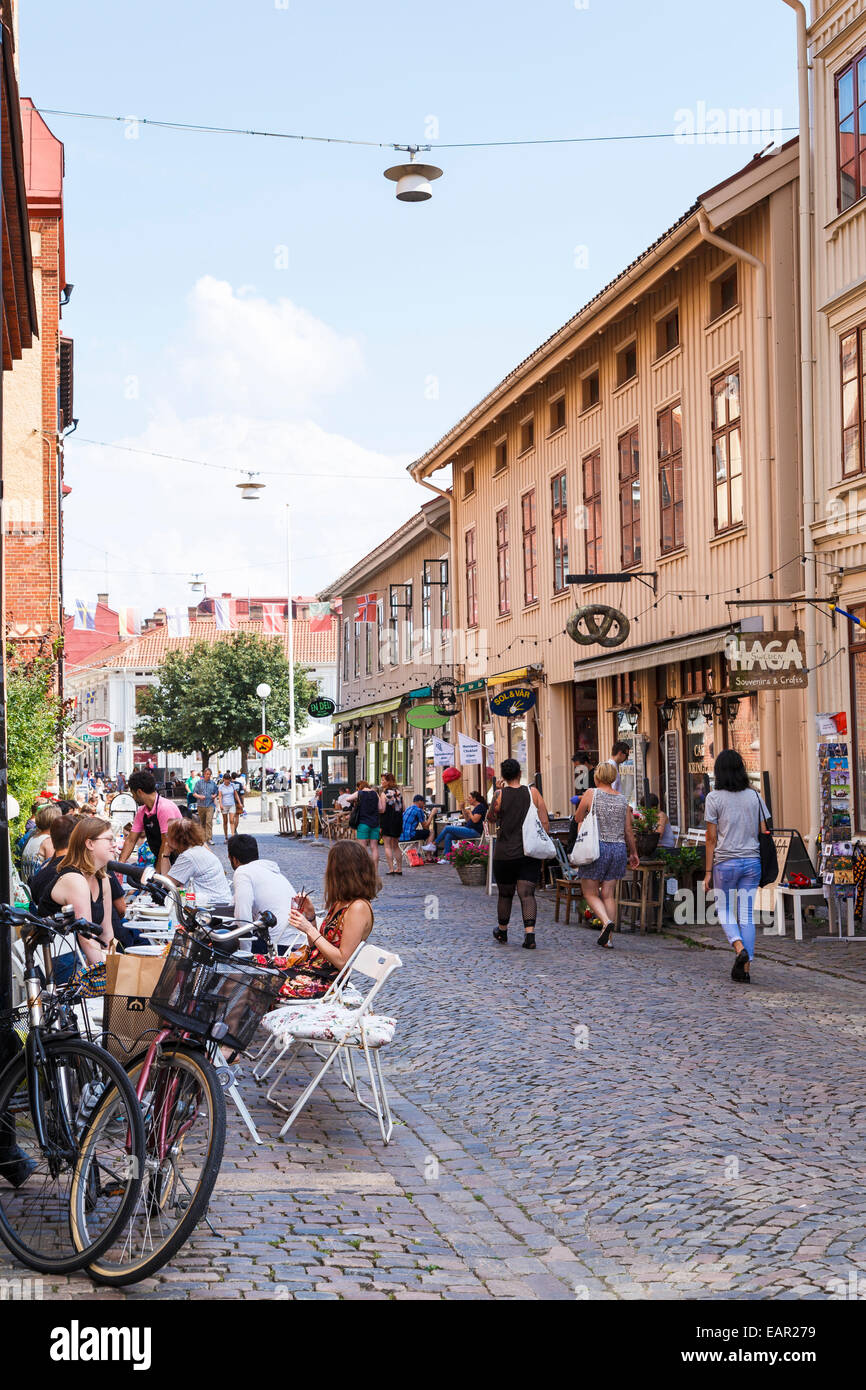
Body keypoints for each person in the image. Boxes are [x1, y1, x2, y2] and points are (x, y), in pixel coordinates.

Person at [263, 839, 378, 999]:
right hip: (313, 968)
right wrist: (310, 917)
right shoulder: (341, 901)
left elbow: (342, 961)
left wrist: (308, 929)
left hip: (328, 979)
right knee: (255, 967)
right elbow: (317, 947)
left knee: (262, 981)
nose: (327, 872)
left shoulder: (358, 907)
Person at [703, 750, 770, 984]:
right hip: (752, 861)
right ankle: (746, 968)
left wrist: (708, 871)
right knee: (747, 915)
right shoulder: (755, 796)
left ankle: (738, 946)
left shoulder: (714, 798)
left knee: (723, 909)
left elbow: (711, 839)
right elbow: (764, 830)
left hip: (726, 862)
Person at [572, 760, 640, 948]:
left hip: (597, 848)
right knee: (608, 894)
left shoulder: (591, 793)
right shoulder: (622, 799)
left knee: (590, 892)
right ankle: (608, 939)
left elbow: (578, 817)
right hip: (618, 849)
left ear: (597, 776)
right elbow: (628, 830)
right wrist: (633, 852)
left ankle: (605, 922)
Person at [489, 760, 550, 950]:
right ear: (520, 773)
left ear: (503, 776)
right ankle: (529, 935)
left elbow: (490, 818)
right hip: (528, 852)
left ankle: (502, 930)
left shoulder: (499, 794)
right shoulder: (533, 793)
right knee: (527, 894)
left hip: (505, 853)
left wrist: (495, 792)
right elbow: (545, 821)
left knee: (505, 894)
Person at [49, 816, 117, 970]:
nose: (115, 845)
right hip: (56, 960)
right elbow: (85, 937)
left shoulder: (102, 878)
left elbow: (107, 933)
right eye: (109, 840)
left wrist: (113, 965)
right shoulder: (74, 879)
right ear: (90, 843)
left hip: (79, 956)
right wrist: (106, 975)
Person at [227, 833, 295, 949]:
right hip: (298, 940)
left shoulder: (243, 871)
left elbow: (243, 915)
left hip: (279, 944)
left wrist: (246, 954)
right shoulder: (268, 870)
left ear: (233, 859)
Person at [119, 769, 182, 875]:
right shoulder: (142, 811)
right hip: (162, 858)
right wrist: (119, 866)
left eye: (133, 793)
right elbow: (131, 840)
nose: (133, 797)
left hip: (179, 860)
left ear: (139, 792)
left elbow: (165, 843)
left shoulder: (164, 808)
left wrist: (157, 874)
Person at [163, 817, 231, 908]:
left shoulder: (188, 857)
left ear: (176, 838)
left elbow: (167, 884)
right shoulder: (199, 849)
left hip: (213, 907)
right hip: (221, 903)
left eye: (168, 835)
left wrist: (165, 855)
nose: (166, 838)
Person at [433, 789, 487, 861]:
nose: (468, 799)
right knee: (448, 835)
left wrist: (470, 812)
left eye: (469, 798)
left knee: (447, 828)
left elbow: (475, 820)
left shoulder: (480, 807)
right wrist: (463, 809)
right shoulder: (477, 808)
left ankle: (434, 844)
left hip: (474, 832)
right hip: (469, 830)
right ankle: (446, 858)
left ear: (474, 799)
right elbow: (468, 820)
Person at [349, 780, 386, 870]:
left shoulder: (359, 793)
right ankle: (375, 869)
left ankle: (364, 869)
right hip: (375, 824)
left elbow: (348, 798)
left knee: (362, 848)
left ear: (359, 787)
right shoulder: (375, 794)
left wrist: (357, 799)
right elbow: (381, 809)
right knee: (374, 847)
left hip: (363, 824)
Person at [20, 803, 61, 882]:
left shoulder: (32, 838)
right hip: (39, 891)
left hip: (28, 889)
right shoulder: (48, 841)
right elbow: (51, 872)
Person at [380, 772, 405, 875]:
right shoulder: (398, 793)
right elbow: (404, 808)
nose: (381, 782)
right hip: (397, 821)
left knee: (387, 846)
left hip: (387, 820)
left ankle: (391, 869)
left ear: (388, 782)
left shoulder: (384, 794)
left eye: (383, 780)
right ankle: (399, 868)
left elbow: (382, 809)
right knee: (396, 846)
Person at [192, 768, 219, 844]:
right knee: (202, 822)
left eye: (209, 774)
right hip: (201, 805)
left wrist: (214, 795)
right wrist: (199, 797)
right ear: (204, 774)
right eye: (207, 774)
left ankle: (209, 838)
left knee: (209, 821)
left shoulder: (213, 783)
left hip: (210, 804)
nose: (208, 776)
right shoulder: (199, 783)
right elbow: (194, 793)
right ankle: (203, 838)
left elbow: (216, 792)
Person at [217, 771, 243, 839]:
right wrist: (220, 804)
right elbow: (220, 796)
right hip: (224, 805)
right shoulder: (221, 786)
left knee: (231, 820)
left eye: (228, 780)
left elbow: (236, 794)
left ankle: (232, 836)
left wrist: (240, 803)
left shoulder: (232, 785)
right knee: (225, 821)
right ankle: (226, 837)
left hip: (232, 804)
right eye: (226, 780)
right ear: (224, 779)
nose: (227, 781)